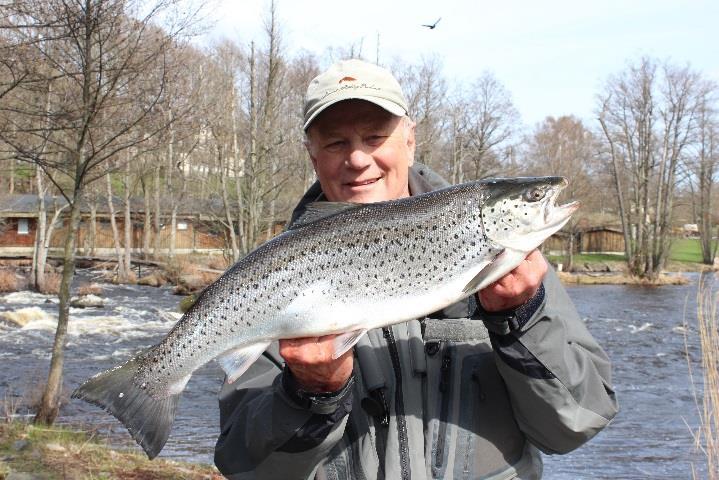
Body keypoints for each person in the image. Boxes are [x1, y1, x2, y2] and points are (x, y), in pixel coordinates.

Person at [214, 59, 618, 480]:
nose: (356, 159)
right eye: (335, 143)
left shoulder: (517, 273)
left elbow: (576, 424)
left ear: (409, 140)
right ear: (312, 155)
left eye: (375, 137)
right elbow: (249, 470)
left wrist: (521, 319)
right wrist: (308, 395)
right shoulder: (272, 274)